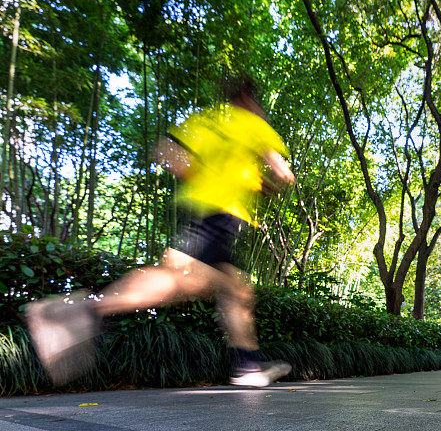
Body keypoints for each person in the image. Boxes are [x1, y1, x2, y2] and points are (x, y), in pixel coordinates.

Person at [26, 75, 294, 388]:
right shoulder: (254, 124)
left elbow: (166, 152)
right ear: (250, 100)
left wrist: (209, 179)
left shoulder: (206, 119)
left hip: (204, 210)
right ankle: (84, 310)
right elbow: (282, 171)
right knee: (181, 280)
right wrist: (273, 177)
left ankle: (248, 366)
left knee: (237, 289)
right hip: (221, 217)